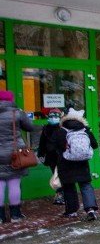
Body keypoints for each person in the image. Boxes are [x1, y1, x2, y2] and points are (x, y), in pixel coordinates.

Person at [53, 108, 99, 221]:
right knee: (86, 185)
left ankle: (72, 211)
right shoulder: (84, 130)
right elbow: (94, 144)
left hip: (66, 163)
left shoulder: (61, 130)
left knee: (69, 187)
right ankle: (90, 209)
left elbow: (56, 147)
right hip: (82, 164)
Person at [0, 90, 34, 223]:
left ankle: (1, 217)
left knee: (0, 184)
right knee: (14, 182)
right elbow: (29, 127)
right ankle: (15, 215)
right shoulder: (17, 113)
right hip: (15, 153)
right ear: (11, 100)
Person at [36, 108, 65, 205]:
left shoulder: (63, 127)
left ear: (60, 117)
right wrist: (41, 155)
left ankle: (62, 195)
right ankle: (60, 194)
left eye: (56, 116)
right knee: (56, 176)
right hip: (52, 158)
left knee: (61, 177)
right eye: (51, 116)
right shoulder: (46, 129)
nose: (53, 118)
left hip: (63, 156)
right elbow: (42, 143)